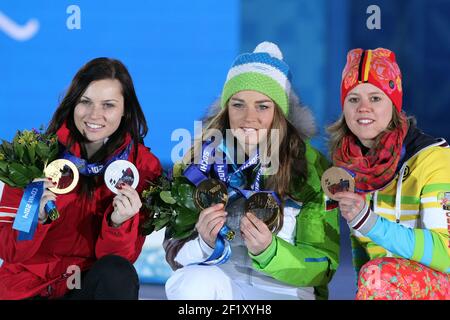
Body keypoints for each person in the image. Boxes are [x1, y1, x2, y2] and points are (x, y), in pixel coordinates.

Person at [163, 42, 340, 300]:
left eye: (262, 106)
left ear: (280, 113)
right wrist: (203, 243)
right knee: (192, 282)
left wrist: (270, 251)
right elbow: (174, 253)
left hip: (285, 291)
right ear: (226, 109)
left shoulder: (311, 169)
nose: (248, 118)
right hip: (224, 283)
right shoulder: (199, 161)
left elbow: (323, 264)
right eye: (238, 105)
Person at [0, 58, 162, 299]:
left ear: (126, 109)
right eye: (85, 102)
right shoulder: (33, 156)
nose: (94, 115)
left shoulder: (142, 168)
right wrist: (36, 218)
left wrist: (118, 224)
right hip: (27, 286)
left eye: (108, 105)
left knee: (118, 272)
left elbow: (121, 261)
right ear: (73, 103)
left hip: (85, 287)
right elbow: (10, 250)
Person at [328, 48, 450, 300]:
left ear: (393, 105)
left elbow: (447, 253)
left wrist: (369, 222)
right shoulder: (350, 166)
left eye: (375, 98)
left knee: (378, 275)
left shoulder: (432, 159)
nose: (363, 108)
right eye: (353, 99)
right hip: (387, 286)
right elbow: (364, 258)